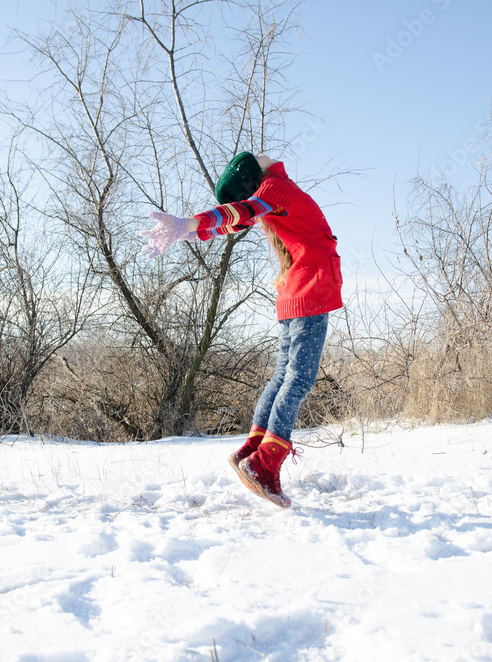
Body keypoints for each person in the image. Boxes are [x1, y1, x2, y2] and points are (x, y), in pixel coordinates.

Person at [140, 151, 343, 508]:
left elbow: (233, 221)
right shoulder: (274, 187)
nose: (255, 154)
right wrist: (187, 226)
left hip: (296, 293)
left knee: (284, 377)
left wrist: (189, 231)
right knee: (297, 381)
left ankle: (252, 450)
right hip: (311, 291)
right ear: (253, 180)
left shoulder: (272, 190)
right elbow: (239, 214)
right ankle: (264, 466)